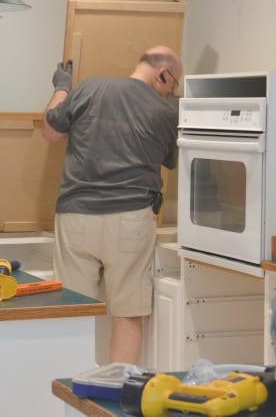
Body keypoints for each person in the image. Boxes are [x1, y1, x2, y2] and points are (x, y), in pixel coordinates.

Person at [41, 45, 182, 364]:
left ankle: (70, 401)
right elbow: (171, 161)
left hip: (76, 215)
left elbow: (50, 131)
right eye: (172, 85)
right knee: (128, 315)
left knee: (72, 312)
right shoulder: (165, 113)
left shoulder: (89, 88)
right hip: (131, 220)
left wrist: (62, 87)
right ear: (162, 74)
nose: (169, 92)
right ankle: (116, 399)